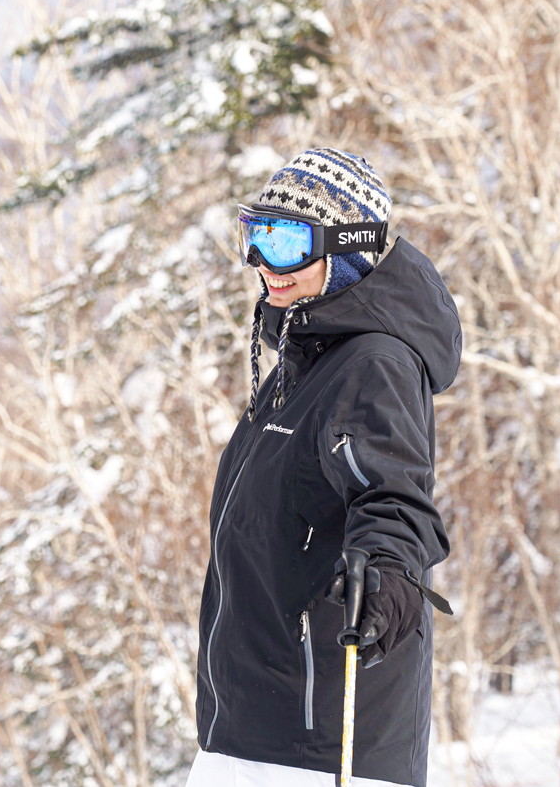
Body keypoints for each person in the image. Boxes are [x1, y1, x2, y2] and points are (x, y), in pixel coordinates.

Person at [188, 148, 460, 787]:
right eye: (253, 236)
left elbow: (392, 495)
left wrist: (389, 575)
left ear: (349, 248)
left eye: (285, 243)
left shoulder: (373, 363)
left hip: (319, 736)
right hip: (248, 724)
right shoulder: (305, 356)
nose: (262, 264)